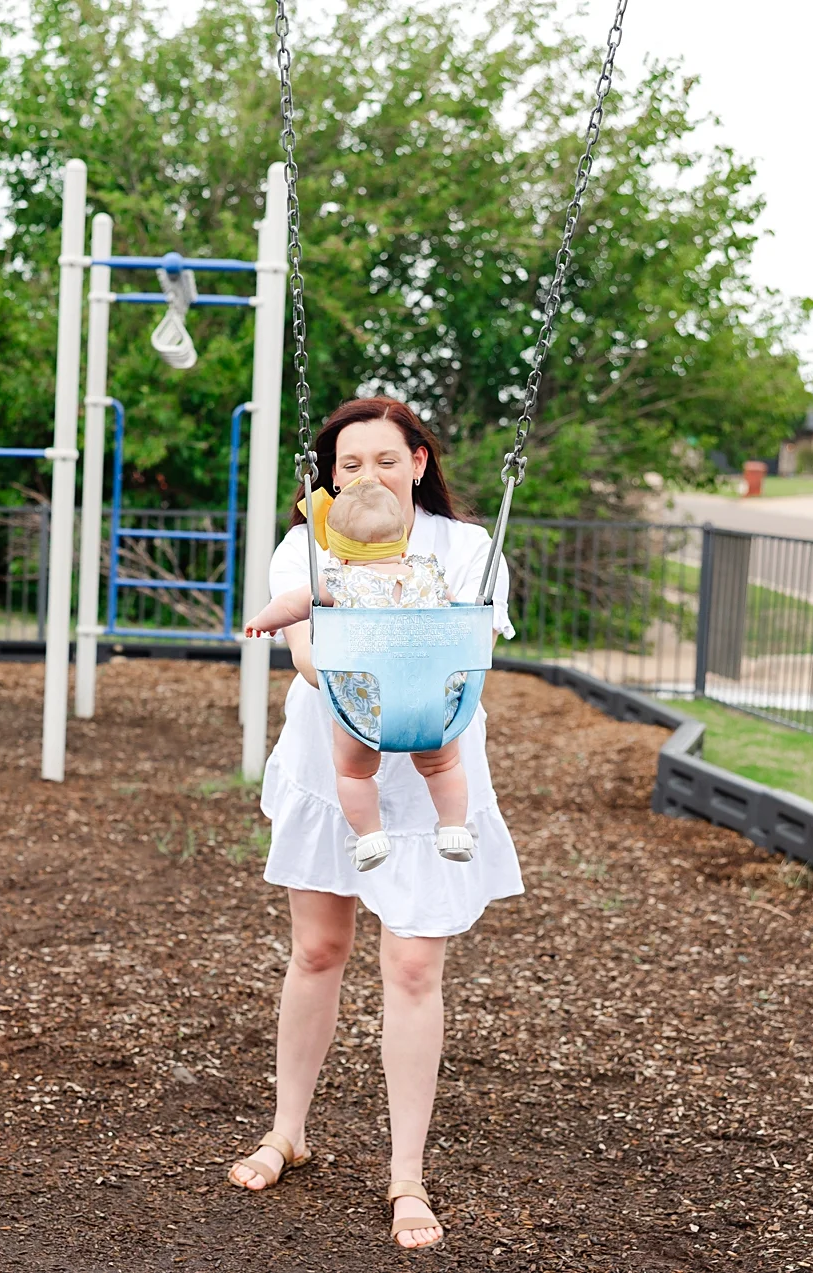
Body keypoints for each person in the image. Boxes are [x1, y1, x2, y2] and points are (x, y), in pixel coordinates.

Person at [227, 397, 521, 1252]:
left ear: (420, 460)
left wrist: (400, 690)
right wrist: (344, 676)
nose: (367, 475)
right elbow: (302, 644)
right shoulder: (313, 538)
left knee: (414, 963)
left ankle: (406, 1172)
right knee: (318, 948)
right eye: (349, 463)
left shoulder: (467, 549)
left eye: (386, 459)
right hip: (336, 753)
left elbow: (471, 650)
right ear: (329, 472)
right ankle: (290, 1128)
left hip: (432, 758)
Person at [243, 476, 475, 871]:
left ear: (341, 553)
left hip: (366, 706)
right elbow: (457, 611)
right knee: (443, 765)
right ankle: (453, 826)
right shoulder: (429, 574)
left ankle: (369, 836)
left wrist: (262, 623)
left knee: (353, 772)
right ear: (402, 540)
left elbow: (289, 606)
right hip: (431, 701)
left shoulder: (338, 580)